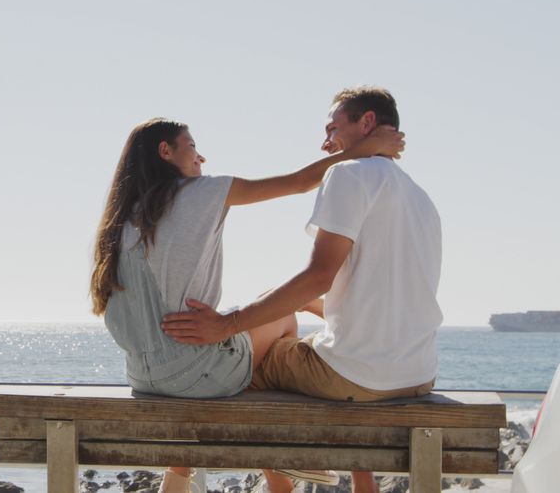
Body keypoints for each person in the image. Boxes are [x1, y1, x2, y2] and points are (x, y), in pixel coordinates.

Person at [91, 115, 404, 493]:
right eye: (191, 146)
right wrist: (367, 149)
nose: (200, 158)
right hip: (194, 374)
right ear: (165, 151)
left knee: (245, 328)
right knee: (282, 319)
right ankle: (288, 460)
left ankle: (184, 478)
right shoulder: (202, 192)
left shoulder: (123, 218)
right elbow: (300, 182)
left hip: (142, 377)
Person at [161, 86, 442, 493]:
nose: (326, 143)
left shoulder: (348, 174)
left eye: (333, 129)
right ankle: (358, 480)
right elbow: (387, 303)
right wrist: (313, 305)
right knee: (291, 328)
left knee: (246, 362)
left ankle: (267, 476)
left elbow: (317, 275)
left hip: (359, 378)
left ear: (366, 124)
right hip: (418, 373)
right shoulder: (420, 197)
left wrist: (226, 325)